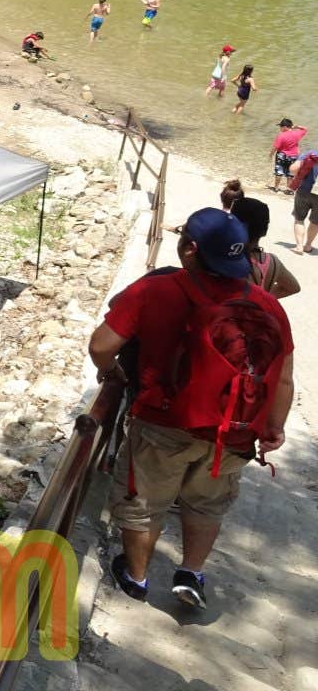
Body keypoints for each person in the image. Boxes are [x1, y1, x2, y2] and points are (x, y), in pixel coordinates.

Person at [87, 207, 294, 609]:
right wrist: (274, 427)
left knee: (145, 502)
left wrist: (112, 371)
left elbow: (101, 346)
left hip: (164, 422)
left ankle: (137, 577)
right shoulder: (268, 305)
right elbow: (283, 378)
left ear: (189, 249)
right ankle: (191, 574)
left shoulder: (156, 290)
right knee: (207, 504)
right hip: (233, 432)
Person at [231, 198, 301, 299]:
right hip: (254, 307)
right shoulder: (272, 261)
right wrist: (261, 298)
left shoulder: (227, 258)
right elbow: (293, 287)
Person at [290, 147, 318, 252]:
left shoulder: (310, 153)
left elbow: (293, 170)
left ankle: (299, 246)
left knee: (299, 219)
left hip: (304, 191)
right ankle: (308, 245)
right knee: (315, 222)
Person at [270, 117, 308, 192]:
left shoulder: (281, 135)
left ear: (285, 127)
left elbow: (275, 147)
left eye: (281, 126)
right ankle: (289, 190)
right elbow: (305, 129)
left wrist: (271, 154)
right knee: (290, 173)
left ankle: (276, 188)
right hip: (293, 156)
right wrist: (296, 127)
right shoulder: (297, 133)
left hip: (282, 155)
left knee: (279, 172)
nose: (280, 128)